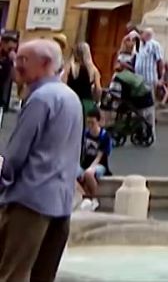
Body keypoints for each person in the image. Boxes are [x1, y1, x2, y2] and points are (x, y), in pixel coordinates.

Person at [0, 40, 83, 282]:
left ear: (45, 64)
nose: (16, 65)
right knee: (43, 275)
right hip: (61, 203)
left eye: (24, 60)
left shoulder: (39, 99)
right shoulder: (71, 98)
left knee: (12, 273)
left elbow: (15, 156)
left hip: (29, 203)